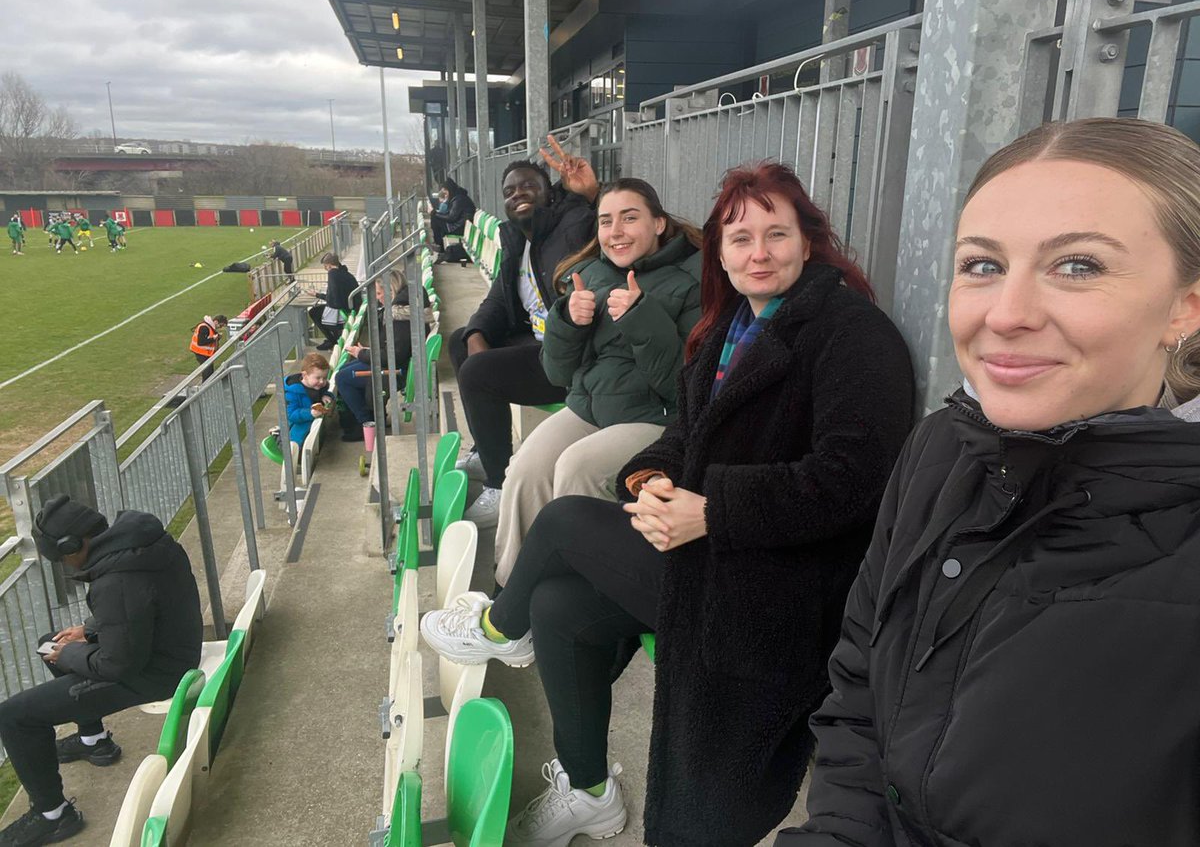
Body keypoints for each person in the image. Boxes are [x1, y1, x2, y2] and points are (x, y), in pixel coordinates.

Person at [421, 162, 915, 847]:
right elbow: (682, 432)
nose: (759, 253)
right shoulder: (729, 325)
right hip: (712, 548)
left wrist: (714, 511)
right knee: (559, 605)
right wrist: (649, 480)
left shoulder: (855, 335)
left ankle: (502, 630)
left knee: (563, 520)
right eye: (741, 239)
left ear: (810, 240)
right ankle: (589, 791)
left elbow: (854, 479)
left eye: (777, 234)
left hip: (783, 588)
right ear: (721, 249)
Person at [776, 117, 1200, 846]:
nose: (1006, 314)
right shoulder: (943, 448)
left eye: (1078, 266)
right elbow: (862, 696)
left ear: (1186, 307)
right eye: (982, 265)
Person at [492, 178, 702, 586]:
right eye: (606, 221)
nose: (616, 232)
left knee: (577, 468)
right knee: (525, 470)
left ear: (659, 224)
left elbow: (682, 387)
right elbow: (558, 374)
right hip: (592, 408)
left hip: (657, 419)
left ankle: (560, 595)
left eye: (629, 218)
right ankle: (509, 588)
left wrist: (643, 317)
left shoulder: (693, 281)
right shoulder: (588, 274)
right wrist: (567, 321)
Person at [0, 495, 201, 846]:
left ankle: (53, 815)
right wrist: (90, 630)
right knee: (50, 643)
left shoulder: (116, 580)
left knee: (14, 716)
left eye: (62, 557)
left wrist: (71, 654)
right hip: (168, 652)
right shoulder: (141, 544)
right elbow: (142, 611)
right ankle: (94, 742)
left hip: (157, 673)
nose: (64, 566)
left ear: (73, 544)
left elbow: (116, 664)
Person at [449, 135, 599, 525]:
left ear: (549, 194)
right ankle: (488, 448)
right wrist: (477, 334)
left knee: (479, 373)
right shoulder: (518, 239)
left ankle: (501, 486)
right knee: (460, 340)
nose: (519, 193)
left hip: (572, 356)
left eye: (529, 185)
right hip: (536, 342)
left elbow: (604, 226)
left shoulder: (573, 223)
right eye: (510, 190)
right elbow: (498, 300)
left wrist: (592, 194)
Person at [334, 269, 430, 441]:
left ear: (390, 290)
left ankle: (367, 422)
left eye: (379, 293)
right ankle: (368, 418)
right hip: (398, 364)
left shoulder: (399, 317)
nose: (377, 297)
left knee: (342, 377)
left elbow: (393, 357)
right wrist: (366, 352)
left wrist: (362, 353)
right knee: (346, 368)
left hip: (396, 371)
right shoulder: (403, 311)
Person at [308, 252, 361, 350]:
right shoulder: (344, 272)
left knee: (313, 312)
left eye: (325, 266)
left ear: (328, 265)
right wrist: (319, 295)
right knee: (320, 311)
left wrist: (317, 295)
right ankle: (332, 339)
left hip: (345, 309)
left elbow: (333, 300)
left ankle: (332, 340)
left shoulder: (333, 274)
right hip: (351, 305)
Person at [284, 352, 333, 446]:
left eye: (325, 378)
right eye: (318, 378)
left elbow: (326, 392)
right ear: (305, 375)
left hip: (313, 428)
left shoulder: (320, 386)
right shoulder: (291, 393)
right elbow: (291, 415)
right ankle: (279, 437)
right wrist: (310, 413)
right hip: (296, 432)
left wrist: (327, 395)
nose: (322, 381)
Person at [429, 177, 476, 265]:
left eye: (445, 193)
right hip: (460, 225)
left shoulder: (459, 199)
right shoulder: (458, 198)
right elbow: (450, 214)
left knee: (435, 219)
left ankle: (439, 246)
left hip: (460, 227)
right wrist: (435, 213)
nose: (445, 195)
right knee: (436, 218)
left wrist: (434, 214)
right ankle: (439, 245)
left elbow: (451, 217)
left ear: (450, 190)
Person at [189, 314, 227, 381]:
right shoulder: (204, 327)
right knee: (207, 372)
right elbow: (200, 342)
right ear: (216, 322)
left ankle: (207, 386)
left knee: (210, 371)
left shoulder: (209, 326)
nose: (220, 327)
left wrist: (217, 337)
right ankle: (204, 387)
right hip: (200, 352)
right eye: (220, 325)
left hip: (205, 353)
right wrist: (213, 338)